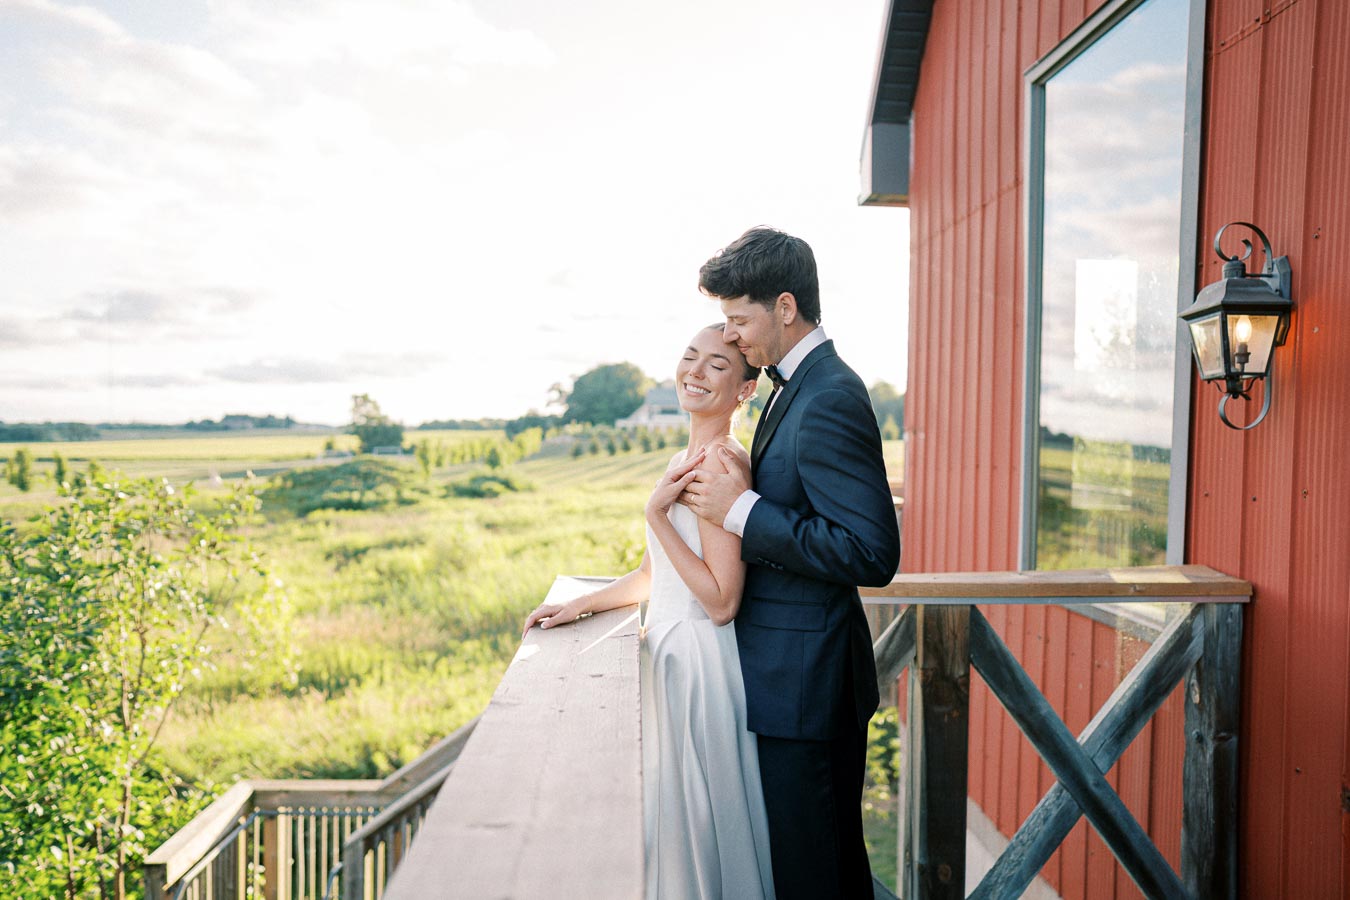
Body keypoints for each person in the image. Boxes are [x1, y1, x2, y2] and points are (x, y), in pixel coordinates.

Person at [681, 227, 901, 899]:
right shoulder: (787, 386)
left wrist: (740, 511)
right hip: (787, 682)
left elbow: (871, 552)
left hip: (808, 685)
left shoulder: (830, 393)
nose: (732, 336)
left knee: (819, 873)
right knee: (811, 866)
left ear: (784, 306)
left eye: (739, 320)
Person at [522, 324, 776, 900]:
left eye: (716, 364)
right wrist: (577, 605)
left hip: (699, 669)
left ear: (744, 388)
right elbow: (651, 575)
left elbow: (720, 601)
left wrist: (657, 515)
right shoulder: (681, 456)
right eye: (690, 357)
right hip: (667, 658)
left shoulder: (721, 466)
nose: (695, 371)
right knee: (672, 826)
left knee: (697, 826)